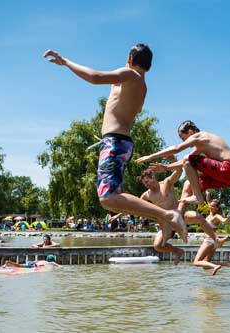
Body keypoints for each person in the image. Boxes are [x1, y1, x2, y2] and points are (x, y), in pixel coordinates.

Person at [44, 44, 187, 245]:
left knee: (107, 198)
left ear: (129, 58)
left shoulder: (129, 75)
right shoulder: (141, 87)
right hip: (121, 143)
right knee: (114, 200)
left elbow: (94, 77)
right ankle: (163, 217)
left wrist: (65, 62)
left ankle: (168, 216)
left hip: (115, 141)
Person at [110, 161, 225, 263]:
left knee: (199, 217)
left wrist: (169, 165)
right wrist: (117, 217)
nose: (146, 184)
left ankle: (216, 239)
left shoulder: (166, 183)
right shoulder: (146, 195)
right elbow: (133, 207)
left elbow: (178, 172)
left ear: (153, 177)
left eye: (147, 181)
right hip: (167, 223)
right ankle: (177, 251)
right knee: (157, 246)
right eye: (144, 183)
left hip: (180, 215)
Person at [136, 120, 230, 208]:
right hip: (227, 179)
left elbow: (177, 149)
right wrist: (167, 167)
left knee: (188, 160)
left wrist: (149, 157)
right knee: (188, 185)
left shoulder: (201, 136)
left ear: (190, 132)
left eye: (183, 138)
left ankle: (198, 197)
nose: (183, 141)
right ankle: (179, 219)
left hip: (227, 169)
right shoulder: (201, 145)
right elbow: (185, 162)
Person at [193, 192, 230, 275]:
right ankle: (226, 263)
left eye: (212, 206)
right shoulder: (210, 212)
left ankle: (215, 266)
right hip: (213, 242)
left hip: (209, 240)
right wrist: (207, 193)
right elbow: (208, 200)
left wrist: (227, 219)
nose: (210, 207)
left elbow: (223, 220)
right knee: (205, 266)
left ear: (217, 208)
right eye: (210, 205)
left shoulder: (216, 216)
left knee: (196, 262)